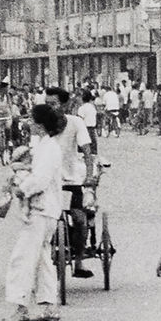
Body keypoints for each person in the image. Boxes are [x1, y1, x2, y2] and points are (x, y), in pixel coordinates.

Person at [2, 103, 64, 321]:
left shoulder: (50, 149)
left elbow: (41, 179)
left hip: (41, 209)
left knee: (22, 258)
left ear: (40, 124)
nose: (28, 123)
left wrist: (21, 188)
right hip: (47, 210)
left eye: (32, 119)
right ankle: (48, 305)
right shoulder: (44, 146)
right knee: (42, 258)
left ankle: (20, 306)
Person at [44, 87, 95, 278]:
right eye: (47, 104)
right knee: (43, 221)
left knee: (81, 221)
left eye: (53, 104)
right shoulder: (41, 124)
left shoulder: (76, 123)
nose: (49, 108)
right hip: (48, 182)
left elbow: (87, 151)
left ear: (64, 105)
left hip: (72, 181)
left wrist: (89, 176)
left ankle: (79, 262)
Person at [76, 89, 98, 154]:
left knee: (83, 152)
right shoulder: (92, 107)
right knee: (92, 152)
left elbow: (79, 121)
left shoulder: (82, 108)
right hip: (92, 131)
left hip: (84, 131)